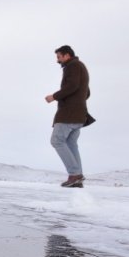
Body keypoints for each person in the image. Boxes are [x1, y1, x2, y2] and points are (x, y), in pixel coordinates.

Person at [45, 45, 90, 188]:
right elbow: (86, 92)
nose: (57, 60)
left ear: (66, 55)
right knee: (71, 144)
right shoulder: (80, 67)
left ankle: (75, 174)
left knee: (57, 141)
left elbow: (72, 86)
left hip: (69, 114)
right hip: (79, 114)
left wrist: (55, 96)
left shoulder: (73, 66)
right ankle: (77, 178)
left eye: (59, 57)